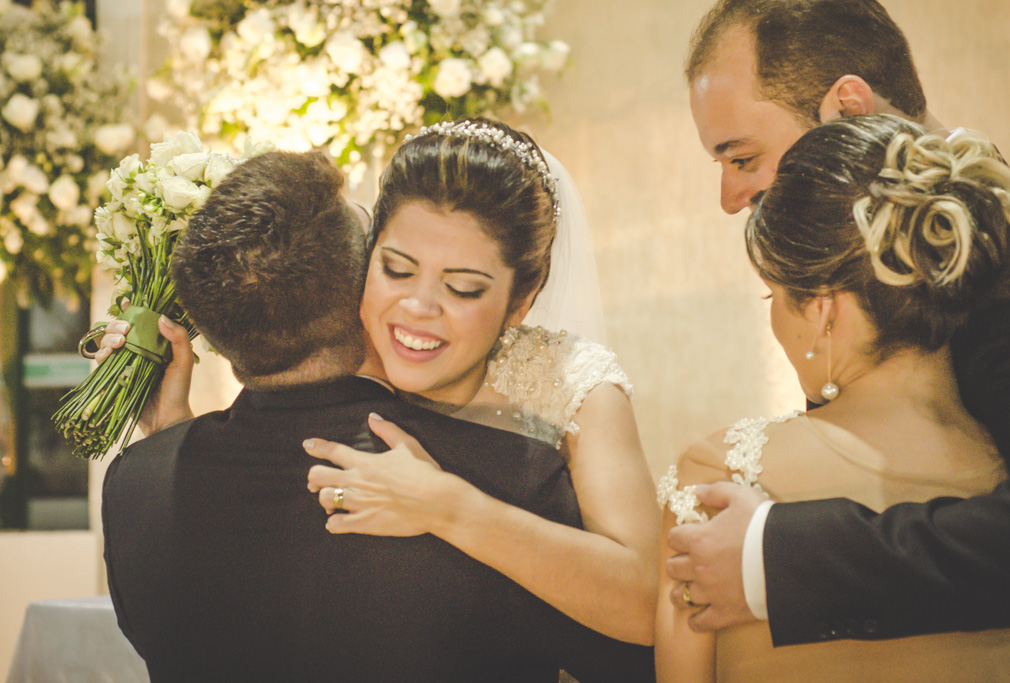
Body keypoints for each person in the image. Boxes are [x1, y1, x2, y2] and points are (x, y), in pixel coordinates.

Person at [100, 148, 655, 682]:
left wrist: (169, 445)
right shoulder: (508, 478)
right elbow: (637, 661)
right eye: (393, 264)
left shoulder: (136, 485)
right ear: (356, 287)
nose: (418, 304)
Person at [666, 0, 1010, 644]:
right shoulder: (880, 273)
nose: (731, 198)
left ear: (848, 107)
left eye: (742, 157)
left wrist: (770, 558)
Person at [303, 119, 660, 645]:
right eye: (397, 270)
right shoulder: (337, 346)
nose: (418, 308)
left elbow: (646, 605)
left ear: (523, 297)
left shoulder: (572, 387)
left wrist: (448, 506)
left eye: (464, 288)